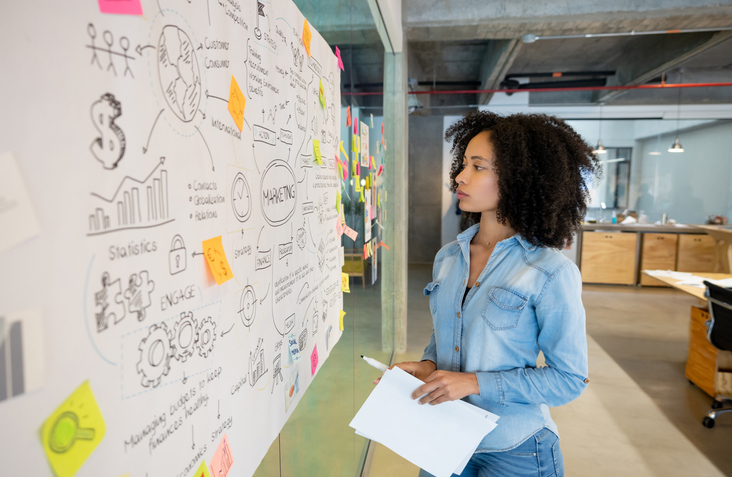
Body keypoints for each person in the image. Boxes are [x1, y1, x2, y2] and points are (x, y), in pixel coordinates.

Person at [378, 111, 601, 477]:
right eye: (464, 163)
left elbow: (569, 379)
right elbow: (447, 334)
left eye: (478, 167)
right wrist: (429, 366)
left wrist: (473, 382)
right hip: (444, 436)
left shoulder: (550, 271)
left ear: (518, 179)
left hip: (514, 450)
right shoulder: (449, 258)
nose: (460, 177)